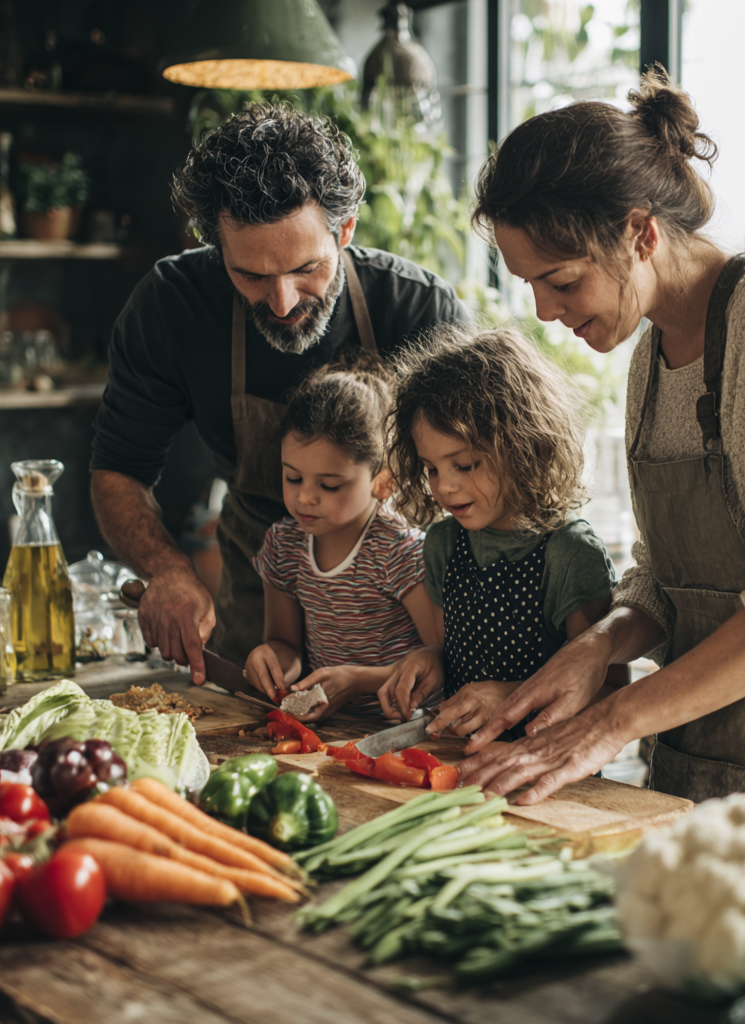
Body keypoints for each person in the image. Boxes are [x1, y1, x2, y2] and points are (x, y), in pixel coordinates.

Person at [454, 69, 745, 862]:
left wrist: (605, 723)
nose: (543, 310)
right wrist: (599, 646)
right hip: (700, 756)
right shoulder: (650, 360)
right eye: (531, 284)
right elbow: (667, 577)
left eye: (560, 279)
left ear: (640, 234)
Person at [89, 103, 471, 683]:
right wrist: (167, 570)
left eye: (305, 268)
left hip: (407, 633)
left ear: (344, 231)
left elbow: (490, 479)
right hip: (264, 613)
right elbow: (119, 470)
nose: (284, 301)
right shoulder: (172, 306)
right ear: (216, 247)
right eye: (251, 275)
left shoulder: (417, 308)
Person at [376, 325, 620, 739]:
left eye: (465, 465)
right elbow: (445, 650)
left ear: (522, 447)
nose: (444, 486)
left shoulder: (570, 553)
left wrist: (509, 698)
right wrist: (429, 661)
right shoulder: (443, 544)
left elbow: (609, 691)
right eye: (432, 468)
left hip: (548, 768)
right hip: (462, 757)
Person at [244, 358, 439, 720]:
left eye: (329, 485)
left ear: (383, 481)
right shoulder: (284, 546)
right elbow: (286, 645)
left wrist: (359, 680)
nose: (305, 497)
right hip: (334, 728)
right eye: (292, 478)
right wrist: (270, 659)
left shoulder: (398, 550)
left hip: (408, 729)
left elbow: (441, 658)